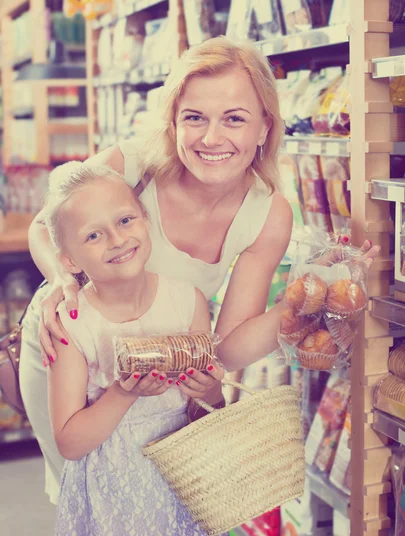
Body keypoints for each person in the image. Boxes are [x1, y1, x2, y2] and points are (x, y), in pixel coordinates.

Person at [20, 36, 380, 506]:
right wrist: (62, 281)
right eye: (195, 117)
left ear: (264, 128)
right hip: (70, 357)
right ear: (173, 121)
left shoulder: (266, 214)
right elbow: (43, 228)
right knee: (84, 498)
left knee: (148, 507)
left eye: (234, 118)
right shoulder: (130, 167)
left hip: (157, 378)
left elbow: (226, 348)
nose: (211, 138)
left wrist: (297, 302)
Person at [44, 162, 220, 534]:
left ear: (145, 218)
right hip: (114, 494)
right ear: (69, 260)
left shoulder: (188, 302)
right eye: (93, 235)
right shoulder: (73, 324)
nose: (117, 239)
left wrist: (208, 390)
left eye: (125, 221)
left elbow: (206, 412)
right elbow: (70, 442)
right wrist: (121, 394)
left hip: (180, 482)